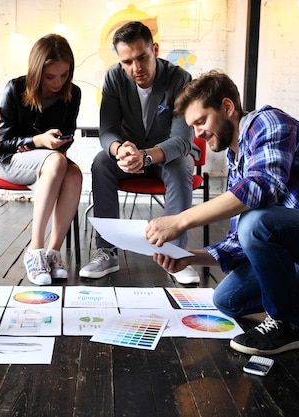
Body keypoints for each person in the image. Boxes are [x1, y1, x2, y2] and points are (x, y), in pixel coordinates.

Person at [147, 70, 299, 355]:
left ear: (227, 107)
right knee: (228, 300)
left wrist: (180, 220)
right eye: (192, 127)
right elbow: (239, 241)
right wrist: (192, 257)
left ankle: (287, 325)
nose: (197, 134)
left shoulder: (268, 122)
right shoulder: (237, 158)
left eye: (201, 121)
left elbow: (263, 187)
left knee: (256, 221)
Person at [79, 21, 200, 284]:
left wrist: (146, 156)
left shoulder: (180, 79)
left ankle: (177, 254)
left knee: (181, 165)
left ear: (154, 49)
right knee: (101, 162)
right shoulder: (113, 78)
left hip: (166, 155)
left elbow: (182, 139)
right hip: (131, 155)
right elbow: (107, 131)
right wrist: (120, 149)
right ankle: (107, 250)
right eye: (127, 61)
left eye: (142, 57)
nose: (136, 68)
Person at [0, 34, 82, 285]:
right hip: (10, 160)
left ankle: (53, 253)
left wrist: (58, 142)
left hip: (49, 160)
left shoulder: (73, 93)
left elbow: (69, 134)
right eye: (50, 76)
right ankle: (35, 249)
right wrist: (36, 142)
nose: (58, 82)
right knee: (56, 162)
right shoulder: (15, 88)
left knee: (74, 173)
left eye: (64, 75)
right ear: (36, 70)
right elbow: (0, 144)